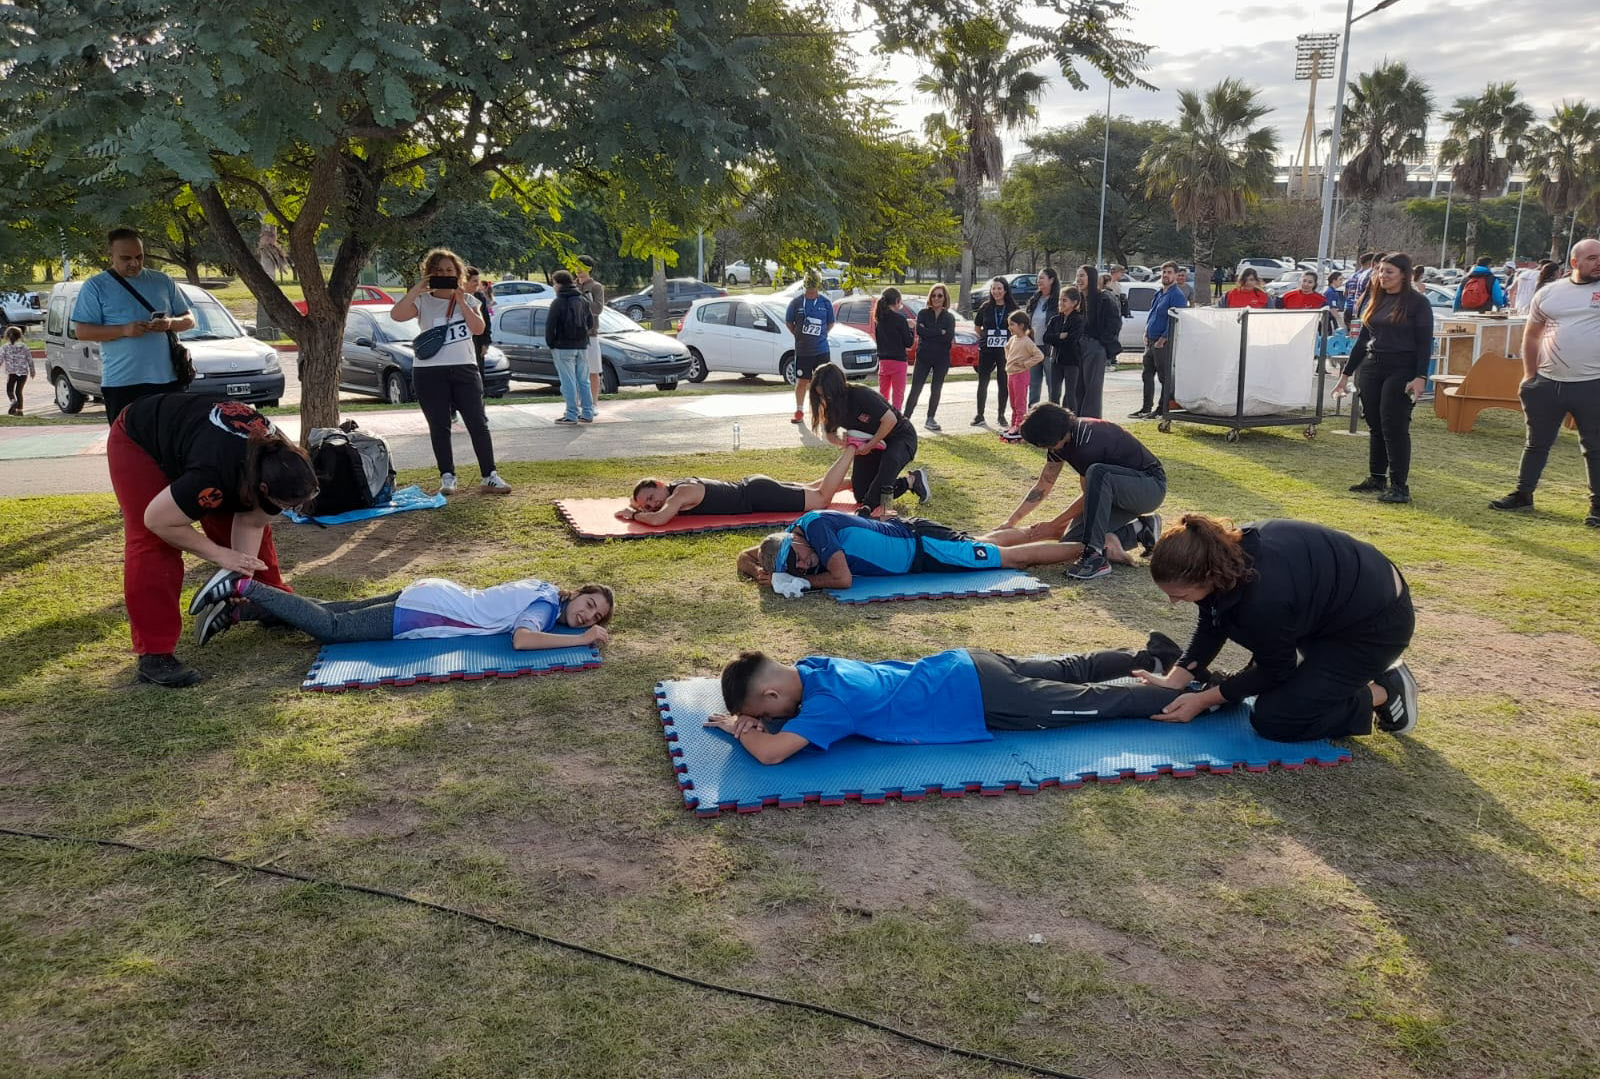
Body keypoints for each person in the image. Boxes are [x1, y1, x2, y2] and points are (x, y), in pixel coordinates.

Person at [1139, 513, 1418, 742]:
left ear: (1208, 575)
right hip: (1332, 608)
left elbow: (1275, 670)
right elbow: (1212, 619)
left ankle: (1385, 691)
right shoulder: (1218, 554)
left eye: (1180, 595)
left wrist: (1202, 700)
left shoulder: (1264, 596)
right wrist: (1177, 677)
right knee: (1263, 669)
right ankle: (1311, 666)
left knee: (1276, 718)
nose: (1173, 602)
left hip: (1373, 627)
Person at [706, 634, 1185, 764]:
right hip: (964, 663)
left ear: (771, 693)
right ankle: (1151, 656)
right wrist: (754, 718)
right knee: (1066, 668)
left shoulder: (830, 707)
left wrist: (737, 729)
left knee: (1087, 702)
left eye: (764, 712)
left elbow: (770, 755)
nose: (771, 720)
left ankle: (1187, 693)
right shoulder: (813, 665)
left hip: (978, 696)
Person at [107, 394, 318, 687]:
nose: (291, 510)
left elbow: (252, 520)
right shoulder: (213, 474)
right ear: (263, 486)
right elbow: (158, 520)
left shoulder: (282, 457)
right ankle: (155, 654)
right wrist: (220, 555)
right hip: (141, 439)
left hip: (204, 445)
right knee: (154, 542)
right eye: (288, 505)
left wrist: (242, 580)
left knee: (239, 524)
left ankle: (270, 601)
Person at [192, 570, 613, 650]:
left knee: (331, 607)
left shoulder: (545, 587)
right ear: (577, 594)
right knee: (333, 627)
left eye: (595, 618)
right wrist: (581, 639)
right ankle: (241, 586)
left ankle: (238, 612)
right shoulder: (544, 606)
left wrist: (581, 629)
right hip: (426, 612)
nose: (587, 616)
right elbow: (522, 640)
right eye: (589, 605)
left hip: (434, 592)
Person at [737, 509, 1122, 593]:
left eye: (800, 559)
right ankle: (1048, 529)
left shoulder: (816, 527)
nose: (805, 566)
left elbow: (842, 579)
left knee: (1013, 560)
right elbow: (744, 556)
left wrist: (803, 584)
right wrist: (762, 574)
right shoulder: (792, 539)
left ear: (797, 542)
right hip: (919, 542)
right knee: (984, 544)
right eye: (798, 569)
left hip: (924, 548)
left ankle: (1096, 546)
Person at [1489, 238, 1600, 527]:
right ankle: (1523, 494)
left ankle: (1597, 507)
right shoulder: (1550, 293)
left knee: (1595, 447)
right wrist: (1530, 376)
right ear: (1574, 262)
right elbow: (1532, 335)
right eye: (1592, 258)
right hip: (1547, 383)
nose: (1598, 262)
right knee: (1536, 443)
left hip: (1592, 383)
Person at [988, 402, 1167, 580]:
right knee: (1072, 542)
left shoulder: (1087, 443)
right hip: (1119, 493)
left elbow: (1090, 496)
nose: (1047, 450)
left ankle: (1095, 556)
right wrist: (1011, 521)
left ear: (1054, 438)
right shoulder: (1063, 439)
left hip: (1150, 487)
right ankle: (1141, 529)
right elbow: (1045, 483)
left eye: (1045, 446)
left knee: (1098, 473)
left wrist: (1054, 524)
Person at [392, 248, 510, 494]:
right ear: (430, 273)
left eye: (449, 270)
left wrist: (461, 301)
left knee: (477, 422)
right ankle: (447, 476)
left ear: (458, 273)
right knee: (439, 425)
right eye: (439, 271)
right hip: (429, 371)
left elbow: (478, 329)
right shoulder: (423, 301)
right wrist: (417, 289)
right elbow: (397, 315)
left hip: (464, 368)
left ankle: (489, 475)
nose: (445, 274)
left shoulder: (470, 300)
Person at [1331, 252, 1433, 505]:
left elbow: (1424, 343)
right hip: (1372, 366)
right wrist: (1345, 374)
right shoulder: (1376, 298)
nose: (1382, 276)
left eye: (1389, 271)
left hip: (1402, 367)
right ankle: (1377, 477)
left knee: (1394, 425)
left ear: (1404, 275)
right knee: (1375, 423)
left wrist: (1421, 376)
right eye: (1380, 271)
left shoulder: (1418, 303)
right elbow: (1362, 340)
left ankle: (1400, 487)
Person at [71, 227, 196, 423]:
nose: (134, 263)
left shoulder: (162, 281)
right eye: (126, 258)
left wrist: (169, 323)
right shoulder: (95, 286)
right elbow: (82, 332)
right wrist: (124, 330)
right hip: (122, 383)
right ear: (110, 255)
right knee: (127, 439)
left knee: (170, 439)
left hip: (168, 380)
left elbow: (189, 320)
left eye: (139, 257)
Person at [808, 362, 928, 518]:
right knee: (861, 492)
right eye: (820, 395)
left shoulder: (860, 395)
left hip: (899, 436)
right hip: (870, 442)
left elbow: (890, 420)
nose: (824, 399)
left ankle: (867, 508)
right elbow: (830, 435)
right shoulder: (831, 406)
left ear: (837, 389)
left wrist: (870, 445)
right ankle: (911, 481)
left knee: (888, 464)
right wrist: (844, 442)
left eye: (827, 395)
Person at [622, 448, 856, 525]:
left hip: (758, 495)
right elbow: (650, 507)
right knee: (811, 488)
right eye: (647, 505)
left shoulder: (679, 495)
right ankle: (856, 485)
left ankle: (851, 450)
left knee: (821, 499)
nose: (653, 505)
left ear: (660, 484)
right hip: (755, 486)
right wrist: (639, 506)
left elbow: (659, 520)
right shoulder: (676, 486)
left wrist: (634, 515)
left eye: (651, 497)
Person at [1130, 261, 1189, 420]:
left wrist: (1164, 337)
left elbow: (1177, 319)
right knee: (1147, 375)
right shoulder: (1159, 293)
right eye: (1164, 272)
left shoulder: (1177, 295)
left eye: (1169, 272)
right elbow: (1153, 313)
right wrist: (1146, 331)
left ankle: (1162, 409)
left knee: (1164, 377)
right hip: (1150, 341)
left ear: (1176, 275)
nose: (1166, 275)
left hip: (1163, 343)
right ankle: (1145, 408)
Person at [545, 268, 597, 425]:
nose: (554, 287)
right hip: (582, 345)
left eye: (554, 283)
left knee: (568, 381)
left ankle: (571, 414)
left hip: (563, 346)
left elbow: (550, 326)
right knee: (583, 381)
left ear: (559, 284)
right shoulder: (583, 300)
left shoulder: (558, 302)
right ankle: (587, 412)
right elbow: (590, 323)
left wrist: (551, 343)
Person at [903, 283, 955, 431]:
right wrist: (940, 332)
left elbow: (948, 337)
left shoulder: (949, 317)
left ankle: (930, 418)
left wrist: (931, 332)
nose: (936, 298)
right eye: (933, 295)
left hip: (942, 358)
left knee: (936, 388)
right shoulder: (923, 313)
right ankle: (905, 418)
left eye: (939, 295)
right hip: (923, 356)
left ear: (945, 298)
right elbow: (920, 332)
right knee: (916, 388)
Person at [785, 273, 835, 425]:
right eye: (809, 285)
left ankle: (825, 412)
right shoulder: (796, 303)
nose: (811, 289)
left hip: (821, 351)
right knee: (802, 381)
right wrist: (798, 335)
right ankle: (799, 411)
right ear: (805, 285)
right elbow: (789, 322)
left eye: (814, 285)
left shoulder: (825, 303)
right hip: (803, 351)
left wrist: (821, 335)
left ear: (818, 285)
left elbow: (830, 323)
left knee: (823, 383)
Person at [971, 276, 1016, 427]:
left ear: (1005, 290)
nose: (996, 291)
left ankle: (1001, 415)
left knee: (1003, 382)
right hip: (987, 350)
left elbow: (1019, 328)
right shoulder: (985, 307)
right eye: (993, 288)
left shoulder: (1012, 308)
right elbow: (977, 326)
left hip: (1005, 351)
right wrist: (985, 337)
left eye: (999, 288)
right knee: (983, 381)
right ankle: (980, 415)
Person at [1076, 264, 1121, 419]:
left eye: (1082, 275)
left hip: (1095, 346)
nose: (1079, 279)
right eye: (1078, 276)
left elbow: (1114, 323)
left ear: (1092, 277)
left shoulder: (1104, 298)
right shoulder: (1078, 298)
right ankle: (1076, 422)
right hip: (1077, 347)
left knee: (1092, 389)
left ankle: (1091, 423)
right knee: (1076, 388)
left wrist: (1102, 342)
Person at [1001, 309, 1044, 441]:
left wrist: (1025, 364)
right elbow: (1006, 347)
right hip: (1011, 374)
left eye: (1012, 324)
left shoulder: (1027, 341)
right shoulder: (1013, 339)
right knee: (1013, 402)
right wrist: (1010, 360)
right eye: (1009, 324)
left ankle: (1019, 427)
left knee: (1020, 403)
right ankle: (1013, 424)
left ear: (1021, 325)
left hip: (1020, 375)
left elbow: (1039, 356)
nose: (1009, 327)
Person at [1042, 287, 1084, 413]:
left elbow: (1072, 340)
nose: (1060, 303)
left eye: (1064, 300)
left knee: (1070, 394)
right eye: (1060, 300)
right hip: (1056, 360)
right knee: (1054, 393)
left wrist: (1056, 339)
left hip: (1071, 361)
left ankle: (1072, 421)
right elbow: (1046, 338)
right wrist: (1060, 336)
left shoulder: (1078, 320)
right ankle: (1053, 419)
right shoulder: (1055, 319)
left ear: (1074, 302)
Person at [872, 287, 914, 410]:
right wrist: (911, 328)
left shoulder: (879, 319)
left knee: (883, 395)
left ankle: (883, 417)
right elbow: (908, 343)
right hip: (898, 361)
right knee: (897, 396)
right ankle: (896, 418)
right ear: (897, 301)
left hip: (883, 361)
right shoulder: (900, 319)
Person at [575, 254, 607, 405]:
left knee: (593, 371)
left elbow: (598, 309)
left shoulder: (596, 287)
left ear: (590, 268)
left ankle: (593, 402)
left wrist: (585, 300)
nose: (578, 270)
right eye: (576, 266)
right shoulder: (572, 286)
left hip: (590, 334)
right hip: (573, 335)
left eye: (582, 267)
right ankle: (577, 401)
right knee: (575, 371)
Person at [1025, 268, 1059, 404]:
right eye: (1038, 278)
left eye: (1042, 278)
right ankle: (1032, 412)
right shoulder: (1035, 299)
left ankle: (1054, 412)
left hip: (1049, 348)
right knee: (1033, 384)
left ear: (1051, 280)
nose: (1038, 281)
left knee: (1052, 384)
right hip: (1034, 348)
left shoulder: (1058, 301)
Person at [464, 266, 493, 379]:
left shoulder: (480, 297)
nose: (478, 284)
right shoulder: (455, 298)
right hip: (463, 343)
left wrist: (486, 343)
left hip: (478, 343)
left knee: (478, 376)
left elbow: (486, 321)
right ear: (464, 281)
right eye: (474, 281)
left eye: (478, 280)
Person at [3, 324, 35, 415]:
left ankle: (13, 401)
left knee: (10, 390)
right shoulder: (24, 346)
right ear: (19, 336)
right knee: (19, 391)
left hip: (11, 372)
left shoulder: (5, 347)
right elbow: (30, 360)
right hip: (23, 373)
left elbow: (0, 359)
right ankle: (20, 411)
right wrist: (32, 371)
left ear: (7, 336)